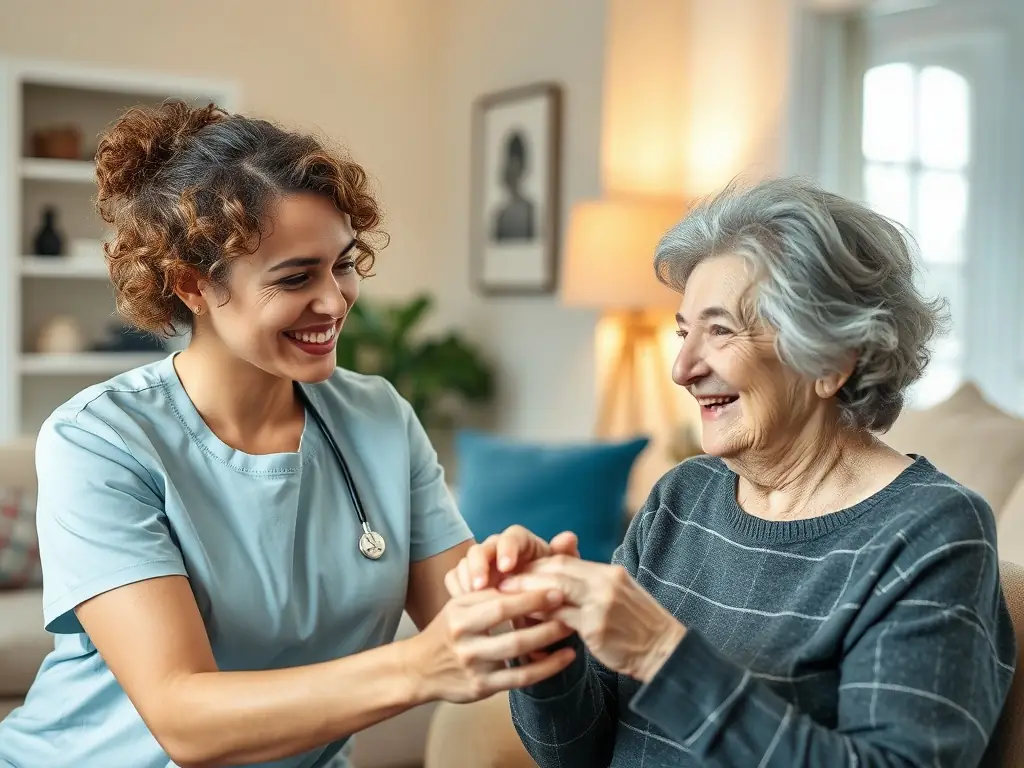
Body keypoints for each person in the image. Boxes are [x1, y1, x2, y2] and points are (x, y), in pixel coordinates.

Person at [0, 101, 577, 768]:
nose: (334, 301)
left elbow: (472, 627)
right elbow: (184, 718)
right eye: (296, 277)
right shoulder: (99, 441)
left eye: (344, 263)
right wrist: (417, 669)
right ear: (191, 283)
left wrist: (517, 593)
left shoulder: (379, 419)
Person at [449, 177, 1018, 766]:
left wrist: (661, 654)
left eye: (719, 330)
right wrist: (547, 639)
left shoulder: (932, 532)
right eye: (683, 331)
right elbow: (576, 755)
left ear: (830, 360)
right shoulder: (682, 497)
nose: (681, 367)